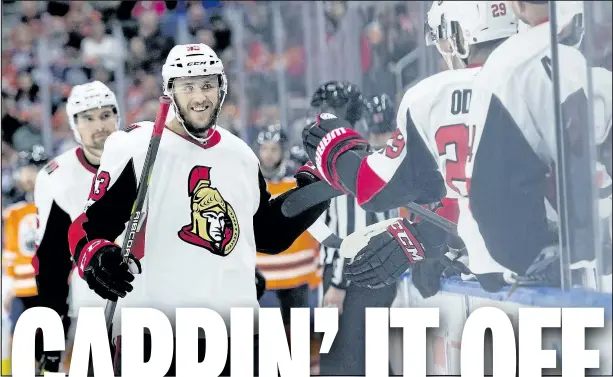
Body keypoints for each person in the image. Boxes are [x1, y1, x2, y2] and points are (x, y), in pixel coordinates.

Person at [66, 43, 329, 376]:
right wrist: (97, 256)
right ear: (170, 92)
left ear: (222, 88)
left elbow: (268, 234)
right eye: (187, 86)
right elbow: (89, 226)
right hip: (155, 336)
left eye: (207, 84)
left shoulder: (241, 155)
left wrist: (318, 190)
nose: (199, 97)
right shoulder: (136, 146)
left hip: (234, 336)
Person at [300, 1, 519, 295]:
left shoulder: (431, 96)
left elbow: (373, 187)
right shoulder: (567, 74)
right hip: (583, 271)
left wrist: (334, 146)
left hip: (493, 270)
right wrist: (428, 236)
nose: (442, 50)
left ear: (461, 35)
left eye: (442, 37)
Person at [465, 0, 612, 285]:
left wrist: (523, 255)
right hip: (587, 261)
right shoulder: (592, 73)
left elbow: (493, 197)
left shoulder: (504, 67)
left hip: (542, 266)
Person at [306, 82, 399, 376]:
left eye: (323, 112)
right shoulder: (368, 154)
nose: (317, 119)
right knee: (370, 358)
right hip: (374, 274)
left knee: (343, 363)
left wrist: (337, 284)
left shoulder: (345, 158)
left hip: (352, 280)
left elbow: (353, 231)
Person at [33, 81, 121, 373]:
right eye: (88, 118)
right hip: (92, 307)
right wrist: (51, 323)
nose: (100, 125)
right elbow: (50, 259)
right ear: (74, 124)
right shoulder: (56, 177)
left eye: (106, 115)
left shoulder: (148, 160)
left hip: (158, 300)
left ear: (118, 117)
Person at [254, 124, 322, 371]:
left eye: (273, 149)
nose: (269, 154)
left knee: (300, 338)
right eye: (265, 149)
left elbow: (313, 222)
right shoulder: (250, 181)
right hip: (265, 275)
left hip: (298, 273)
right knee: (271, 338)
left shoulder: (298, 180)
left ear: (282, 150)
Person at [2, 146, 48, 375]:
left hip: (51, 286)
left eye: (34, 168)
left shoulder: (56, 206)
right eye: (26, 169)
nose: (29, 175)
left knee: (52, 339)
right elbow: (10, 252)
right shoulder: (13, 213)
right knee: (21, 338)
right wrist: (9, 287)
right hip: (22, 289)